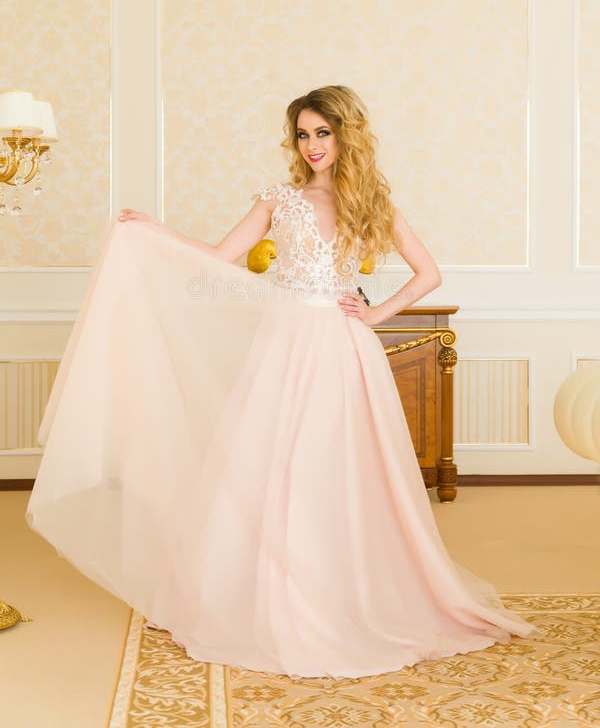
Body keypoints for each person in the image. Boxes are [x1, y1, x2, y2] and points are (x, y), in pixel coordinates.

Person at [26, 85, 540, 680]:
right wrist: (153, 231)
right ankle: (267, 592)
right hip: (284, 345)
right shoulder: (279, 199)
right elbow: (220, 257)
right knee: (270, 466)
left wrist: (374, 314)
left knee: (337, 468)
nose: (313, 144)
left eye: (324, 132)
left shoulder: (372, 202)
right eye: (303, 133)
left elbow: (430, 274)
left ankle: (344, 593)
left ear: (347, 134)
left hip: (341, 348)